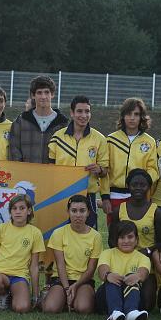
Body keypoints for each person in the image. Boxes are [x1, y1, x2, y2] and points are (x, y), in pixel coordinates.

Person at [48, 95, 109, 228]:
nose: (83, 115)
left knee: (88, 236)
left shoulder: (99, 139)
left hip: (88, 195)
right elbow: (50, 168)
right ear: (72, 113)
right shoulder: (58, 137)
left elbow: (105, 172)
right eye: (79, 111)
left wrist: (99, 169)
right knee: (61, 235)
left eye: (87, 111)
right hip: (62, 194)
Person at [110, 168, 161, 311]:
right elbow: (111, 240)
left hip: (145, 263)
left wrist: (146, 250)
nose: (139, 188)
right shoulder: (118, 210)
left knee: (147, 305)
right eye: (135, 185)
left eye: (143, 185)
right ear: (128, 186)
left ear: (149, 187)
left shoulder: (156, 212)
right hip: (122, 262)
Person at [0, 195, 45, 313]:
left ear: (29, 211)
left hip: (19, 277)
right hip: (0, 275)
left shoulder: (35, 233)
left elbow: (34, 267)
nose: (18, 212)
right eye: (14, 208)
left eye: (22, 208)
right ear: (10, 212)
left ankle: (13, 294)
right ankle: (3, 295)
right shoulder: (1, 229)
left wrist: (35, 294)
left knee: (21, 308)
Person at [41, 195, 102, 314]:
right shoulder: (59, 233)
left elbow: (90, 270)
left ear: (88, 212)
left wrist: (76, 285)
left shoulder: (96, 237)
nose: (78, 215)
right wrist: (67, 288)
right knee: (50, 309)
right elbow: (60, 265)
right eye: (74, 211)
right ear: (68, 212)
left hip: (83, 281)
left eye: (82, 211)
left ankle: (75, 297)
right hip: (61, 279)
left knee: (83, 308)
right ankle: (50, 297)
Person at [103, 98, 158, 223]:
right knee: (116, 238)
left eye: (136, 114)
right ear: (123, 116)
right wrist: (105, 197)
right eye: (129, 114)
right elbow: (104, 171)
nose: (132, 118)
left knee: (137, 238)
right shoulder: (111, 140)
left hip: (139, 197)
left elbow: (153, 170)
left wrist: (141, 184)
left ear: (142, 117)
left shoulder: (150, 142)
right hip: (115, 196)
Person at [97, 220, 151, 320]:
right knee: (111, 277)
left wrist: (137, 276)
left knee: (133, 277)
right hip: (107, 296)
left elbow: (143, 273)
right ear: (116, 240)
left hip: (133, 296)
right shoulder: (107, 253)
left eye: (130, 237)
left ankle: (131, 312)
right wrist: (108, 275)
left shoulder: (143, 258)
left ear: (137, 240)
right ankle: (114, 313)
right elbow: (102, 271)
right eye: (122, 237)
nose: (126, 241)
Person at [9, 75, 68, 164]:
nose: (43, 96)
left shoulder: (63, 123)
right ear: (33, 95)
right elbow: (14, 151)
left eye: (46, 92)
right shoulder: (21, 121)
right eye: (39, 93)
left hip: (54, 175)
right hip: (27, 175)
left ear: (52, 94)